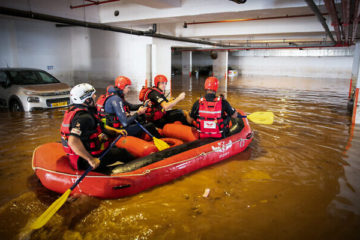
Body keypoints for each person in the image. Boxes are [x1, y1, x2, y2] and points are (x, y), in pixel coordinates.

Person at [60, 83, 130, 172]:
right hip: (85, 160)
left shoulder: (77, 110)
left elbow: (101, 127)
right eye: (93, 95)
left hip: (82, 155)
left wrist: (116, 131)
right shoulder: (84, 117)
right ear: (87, 100)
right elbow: (73, 141)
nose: (95, 96)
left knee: (115, 149)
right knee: (123, 153)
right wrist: (91, 160)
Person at [97, 76, 162, 138]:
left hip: (118, 125)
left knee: (141, 118)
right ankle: (161, 141)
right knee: (149, 125)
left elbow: (130, 106)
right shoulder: (116, 99)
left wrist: (143, 104)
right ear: (122, 87)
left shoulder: (117, 95)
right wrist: (138, 113)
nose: (129, 89)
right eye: (128, 87)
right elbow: (125, 123)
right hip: (117, 130)